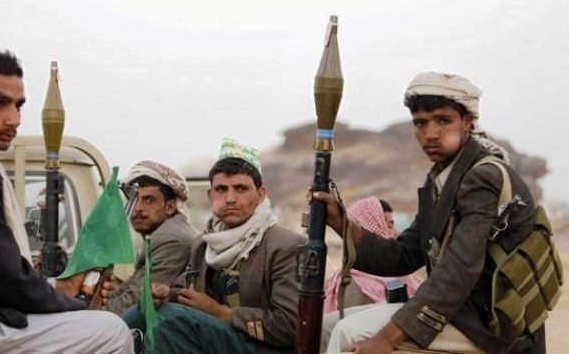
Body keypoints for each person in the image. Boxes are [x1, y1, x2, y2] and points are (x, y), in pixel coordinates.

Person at [318, 72, 543, 353]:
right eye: (420, 123)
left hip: (489, 321)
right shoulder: (441, 180)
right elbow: (403, 255)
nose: (430, 134)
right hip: (458, 310)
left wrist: (387, 338)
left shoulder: (483, 177)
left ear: (468, 122)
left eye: (443, 121)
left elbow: (458, 272)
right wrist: (341, 223)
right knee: (327, 326)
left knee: (347, 332)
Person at [0, 49, 132, 354]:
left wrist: (59, 289)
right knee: (110, 331)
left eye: (18, 106)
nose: (14, 119)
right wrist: (75, 306)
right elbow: (7, 279)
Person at [124, 138, 306, 353]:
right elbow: (187, 292)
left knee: (169, 319)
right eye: (221, 189)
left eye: (240, 188)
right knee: (139, 312)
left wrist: (220, 312)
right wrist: (167, 293)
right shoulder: (204, 243)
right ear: (210, 196)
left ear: (260, 195)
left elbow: (291, 326)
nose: (230, 198)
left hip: (260, 347)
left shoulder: (284, 246)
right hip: (215, 339)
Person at [106, 160, 197, 315]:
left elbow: (134, 302)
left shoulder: (172, 240)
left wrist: (90, 313)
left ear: (170, 207)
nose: (137, 209)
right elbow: (127, 291)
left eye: (148, 200)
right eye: (133, 199)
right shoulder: (158, 236)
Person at [323, 197, 422, 312]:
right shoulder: (356, 286)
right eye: (389, 225)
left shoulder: (402, 276)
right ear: (367, 227)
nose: (396, 233)